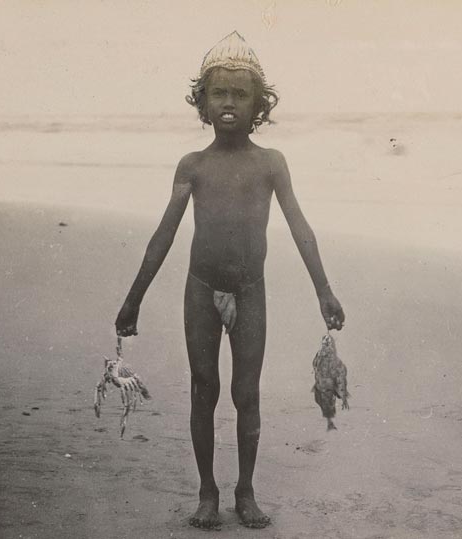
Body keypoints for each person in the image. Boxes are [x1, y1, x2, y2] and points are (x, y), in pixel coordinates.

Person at [114, 31, 345, 530]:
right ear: (203, 100)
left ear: (258, 104)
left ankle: (245, 490)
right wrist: (133, 301)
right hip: (200, 289)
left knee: (246, 393)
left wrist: (323, 289)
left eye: (241, 95)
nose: (229, 103)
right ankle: (206, 491)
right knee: (204, 388)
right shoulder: (193, 166)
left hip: (250, 290)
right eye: (219, 93)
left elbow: (300, 227)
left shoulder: (270, 163)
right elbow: (164, 235)